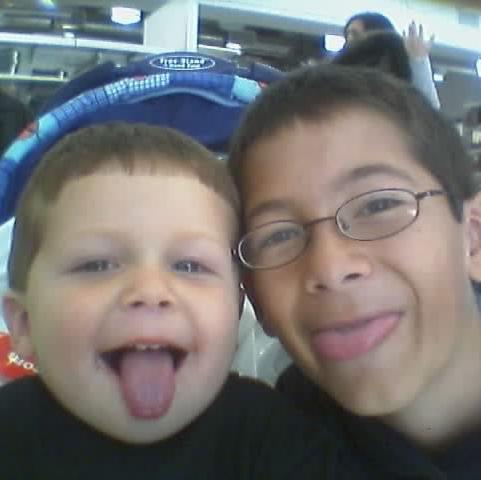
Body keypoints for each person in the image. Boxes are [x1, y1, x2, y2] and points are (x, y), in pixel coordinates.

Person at [0, 122, 333, 478]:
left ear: (237, 308)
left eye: (190, 265)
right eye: (97, 265)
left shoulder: (271, 436)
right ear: (24, 323)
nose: (150, 291)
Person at [228, 64, 481, 477]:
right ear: (255, 298)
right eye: (278, 235)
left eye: (378, 205)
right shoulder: (262, 450)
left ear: (473, 237)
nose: (330, 267)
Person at [343, 12, 440, 109]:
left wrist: (418, 61)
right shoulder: (342, 74)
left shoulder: (397, 75)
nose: (350, 41)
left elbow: (428, 110)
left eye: (355, 35)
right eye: (348, 35)